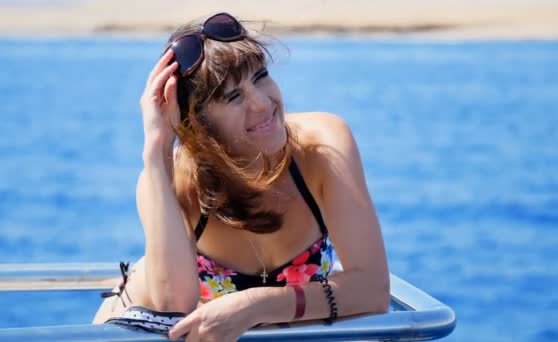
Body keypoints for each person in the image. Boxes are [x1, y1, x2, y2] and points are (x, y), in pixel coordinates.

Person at [92, 12, 389, 341]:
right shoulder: (169, 178)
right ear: (199, 123)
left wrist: (255, 305)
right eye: (234, 97)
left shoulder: (322, 146)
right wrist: (157, 148)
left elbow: (372, 290)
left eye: (260, 77)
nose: (262, 104)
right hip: (140, 331)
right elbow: (172, 306)